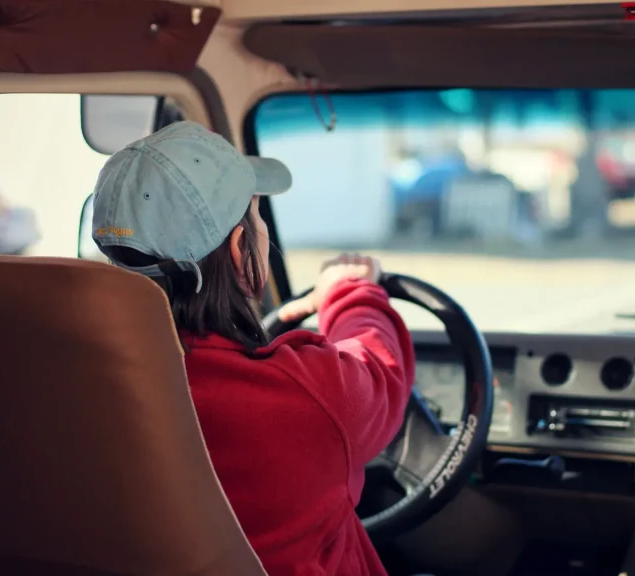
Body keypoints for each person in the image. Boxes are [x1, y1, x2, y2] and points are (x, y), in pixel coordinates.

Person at [90, 120, 416, 576]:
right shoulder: (306, 396)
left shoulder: (81, 390)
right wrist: (351, 292)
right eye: (258, 217)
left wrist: (278, 322)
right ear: (242, 248)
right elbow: (380, 370)